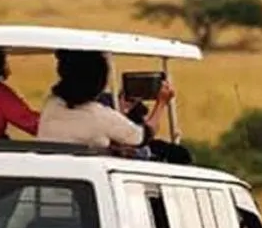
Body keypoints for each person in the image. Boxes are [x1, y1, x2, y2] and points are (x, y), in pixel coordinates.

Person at [38, 50, 191, 163]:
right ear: (99, 80)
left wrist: (122, 109)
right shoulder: (100, 117)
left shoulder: (51, 105)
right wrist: (161, 103)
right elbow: (143, 136)